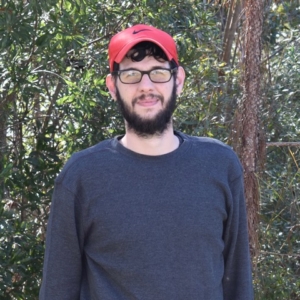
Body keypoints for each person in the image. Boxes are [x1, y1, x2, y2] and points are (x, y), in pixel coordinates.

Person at [39, 24, 254, 300]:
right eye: (130, 74)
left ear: (178, 80)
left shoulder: (220, 165)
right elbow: (57, 289)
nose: (146, 86)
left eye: (158, 72)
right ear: (113, 87)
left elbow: (237, 282)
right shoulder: (81, 176)